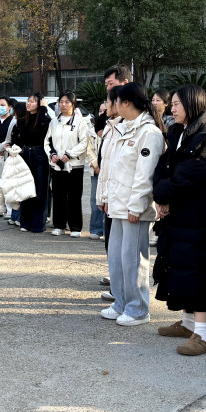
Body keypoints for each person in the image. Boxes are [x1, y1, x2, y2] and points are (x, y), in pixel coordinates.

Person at [152, 85, 206, 356]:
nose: (172, 108)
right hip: (179, 209)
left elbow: (190, 174)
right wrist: (163, 198)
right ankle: (187, 323)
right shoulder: (178, 131)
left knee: (196, 269)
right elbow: (165, 166)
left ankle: (203, 335)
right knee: (178, 264)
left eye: (176, 104)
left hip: (199, 212)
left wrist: (163, 193)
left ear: (193, 104)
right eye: (171, 104)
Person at [97, 83, 165, 326]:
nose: (111, 106)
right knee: (116, 257)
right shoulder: (120, 129)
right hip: (117, 204)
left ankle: (138, 308)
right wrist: (104, 196)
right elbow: (110, 167)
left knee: (133, 259)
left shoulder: (148, 132)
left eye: (115, 102)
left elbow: (144, 174)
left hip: (133, 208)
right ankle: (121, 302)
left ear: (126, 103)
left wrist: (136, 206)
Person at [99, 66, 132, 283]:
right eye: (107, 86)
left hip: (125, 198)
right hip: (110, 192)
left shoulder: (132, 125)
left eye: (112, 84)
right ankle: (115, 280)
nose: (109, 90)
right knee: (112, 241)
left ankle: (122, 288)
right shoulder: (112, 122)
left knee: (125, 247)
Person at [45, 91, 90, 237]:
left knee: (74, 196)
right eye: (61, 102)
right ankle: (59, 225)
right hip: (57, 165)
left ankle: (75, 227)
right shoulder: (54, 122)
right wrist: (52, 154)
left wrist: (70, 154)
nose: (63, 105)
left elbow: (84, 142)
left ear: (73, 104)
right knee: (58, 195)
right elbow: (47, 141)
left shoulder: (79, 122)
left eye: (67, 102)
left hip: (74, 165)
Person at [10, 93, 52, 233]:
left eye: (33, 101)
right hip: (25, 153)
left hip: (40, 154)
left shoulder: (45, 119)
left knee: (40, 190)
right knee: (25, 188)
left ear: (40, 103)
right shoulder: (23, 120)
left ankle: (38, 224)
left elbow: (43, 127)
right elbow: (19, 139)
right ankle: (25, 222)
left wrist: (43, 109)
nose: (29, 104)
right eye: (28, 101)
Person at [87, 101, 107, 241]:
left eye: (105, 110)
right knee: (95, 200)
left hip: (109, 170)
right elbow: (89, 150)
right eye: (100, 111)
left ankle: (107, 230)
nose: (102, 113)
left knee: (108, 200)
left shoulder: (115, 129)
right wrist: (96, 164)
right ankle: (95, 228)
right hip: (96, 170)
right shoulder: (92, 130)